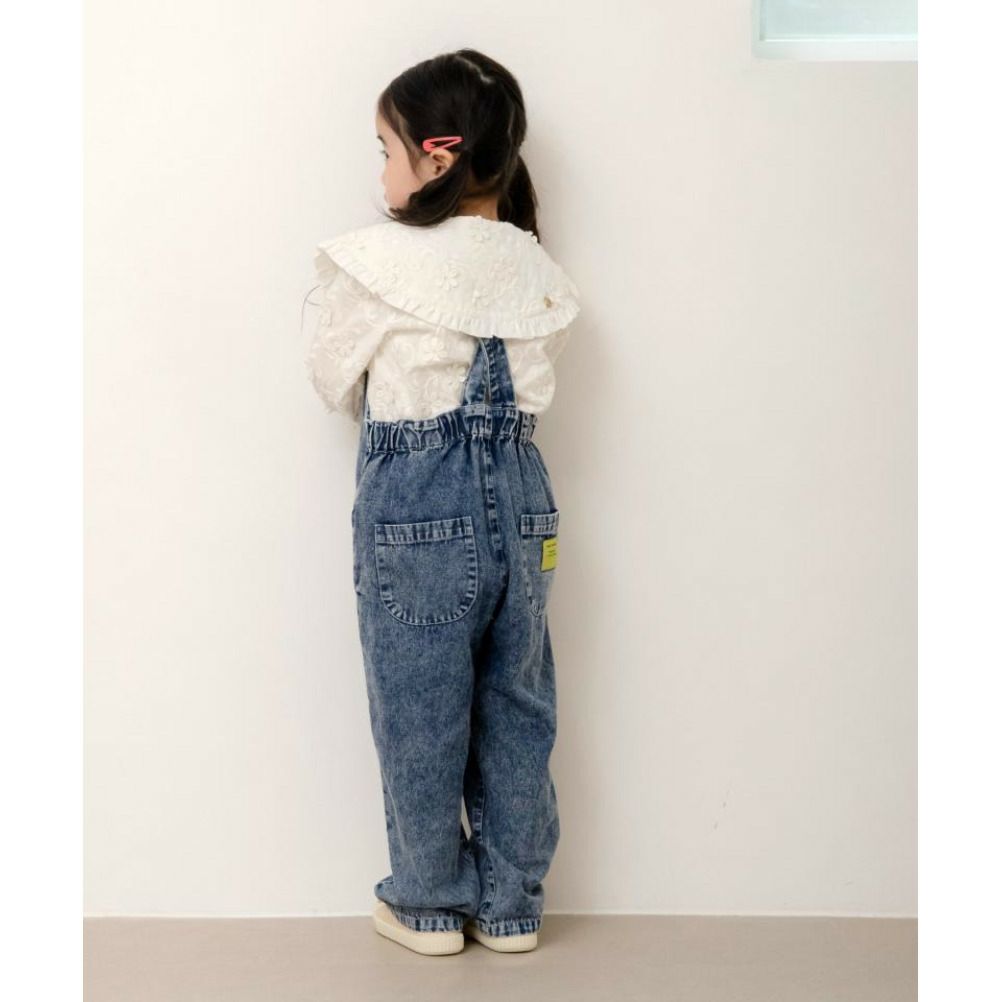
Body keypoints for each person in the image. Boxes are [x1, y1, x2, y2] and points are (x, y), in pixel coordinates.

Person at [303, 48, 581, 957]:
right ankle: (511, 906)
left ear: (438, 155)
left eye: (386, 149)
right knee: (518, 702)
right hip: (526, 506)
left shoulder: (378, 263)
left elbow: (332, 378)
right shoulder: (535, 268)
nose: (381, 171)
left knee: (421, 706)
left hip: (418, 506)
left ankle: (427, 903)